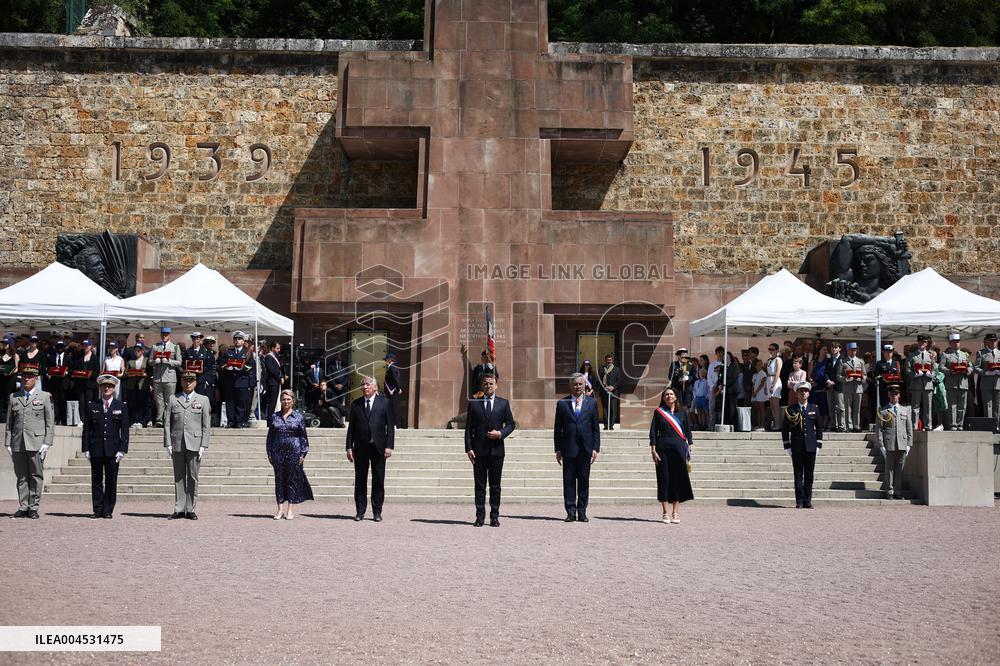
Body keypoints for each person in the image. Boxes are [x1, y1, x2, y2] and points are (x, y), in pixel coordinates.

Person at [464, 373, 516, 527]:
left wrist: (500, 434)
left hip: (497, 451)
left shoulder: (503, 403)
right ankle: (480, 517)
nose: (488, 386)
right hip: (478, 452)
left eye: (491, 384)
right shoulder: (474, 404)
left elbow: (511, 424)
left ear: (496, 385)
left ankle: (494, 516)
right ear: (482, 386)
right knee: (479, 486)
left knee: (495, 486)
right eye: (485, 384)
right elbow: (468, 429)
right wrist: (468, 448)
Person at [4, 367, 54, 519]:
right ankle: (23, 506)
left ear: (36, 379)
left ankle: (33, 507)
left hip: (36, 442)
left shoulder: (45, 396)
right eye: (24, 376)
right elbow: (9, 422)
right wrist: (8, 442)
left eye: (30, 376)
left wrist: (47, 442)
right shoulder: (14, 397)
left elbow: (49, 422)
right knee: (21, 476)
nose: (26, 379)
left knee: (35, 475)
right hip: (18, 441)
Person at [346, 375, 395, 521]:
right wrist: (349, 447)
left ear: (375, 387)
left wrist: (389, 446)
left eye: (367, 384)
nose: (365, 387)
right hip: (360, 448)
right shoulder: (356, 404)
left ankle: (377, 511)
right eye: (363, 385)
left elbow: (390, 427)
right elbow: (351, 428)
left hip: (378, 447)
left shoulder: (385, 403)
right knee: (360, 480)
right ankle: (360, 511)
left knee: (378, 480)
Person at [553, 373, 601, 523]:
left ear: (584, 385)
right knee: (568, 482)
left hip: (585, 449)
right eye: (575, 384)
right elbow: (557, 429)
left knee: (583, 481)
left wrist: (595, 448)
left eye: (580, 384)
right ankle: (570, 512)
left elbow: (595, 428)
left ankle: (582, 512)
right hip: (568, 449)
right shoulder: (562, 403)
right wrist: (558, 449)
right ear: (570, 386)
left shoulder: (592, 403)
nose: (578, 387)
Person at [164, 371, 211, 519]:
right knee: (178, 477)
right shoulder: (173, 399)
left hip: (195, 443)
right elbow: (167, 424)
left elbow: (206, 425)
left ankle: (190, 508)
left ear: (195, 383)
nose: (188, 383)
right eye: (185, 380)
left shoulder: (203, 400)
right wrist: (168, 443)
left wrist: (204, 445)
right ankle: (179, 508)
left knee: (192, 476)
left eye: (191, 381)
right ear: (181, 382)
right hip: (177, 442)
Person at [81, 374, 129, 518]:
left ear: (114, 389)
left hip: (113, 449)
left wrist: (122, 449)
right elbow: (86, 429)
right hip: (96, 448)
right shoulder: (92, 405)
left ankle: (108, 510)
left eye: (109, 386)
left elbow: (125, 430)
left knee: (111, 480)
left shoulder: (121, 406)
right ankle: (97, 509)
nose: (107, 388)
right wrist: (86, 448)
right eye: (104, 386)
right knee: (96, 480)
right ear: (100, 388)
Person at [649, 387, 694, 524]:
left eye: (671, 394)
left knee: (677, 480)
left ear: (675, 397)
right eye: (666, 394)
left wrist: (689, 450)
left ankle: (675, 513)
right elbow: (653, 432)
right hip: (663, 449)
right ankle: (665, 513)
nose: (669, 396)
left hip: (679, 449)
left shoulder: (683, 413)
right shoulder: (659, 412)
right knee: (664, 479)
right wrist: (653, 450)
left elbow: (688, 432)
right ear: (663, 398)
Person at [266, 389, 313, 519]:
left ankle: (290, 509)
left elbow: (303, 437)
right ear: (280, 401)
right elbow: (270, 437)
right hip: (277, 452)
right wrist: (269, 453)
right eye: (283, 399)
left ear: (293, 401)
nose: (286, 402)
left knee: (292, 480)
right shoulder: (275, 416)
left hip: (294, 451)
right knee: (279, 480)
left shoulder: (298, 417)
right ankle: (280, 509)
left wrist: (303, 454)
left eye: (288, 399)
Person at [781, 381, 823, 509]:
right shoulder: (791, 409)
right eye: (801, 391)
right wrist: (787, 446)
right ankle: (799, 501)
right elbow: (785, 429)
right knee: (798, 475)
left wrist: (818, 445)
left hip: (810, 446)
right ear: (797, 393)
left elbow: (819, 428)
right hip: (797, 447)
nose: (803, 393)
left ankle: (808, 500)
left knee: (809, 475)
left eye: (805, 391)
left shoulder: (814, 408)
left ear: (808, 393)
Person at [874, 385, 912, 500]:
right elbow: (879, 429)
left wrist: (909, 444)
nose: (894, 397)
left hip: (902, 443)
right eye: (892, 395)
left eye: (896, 394)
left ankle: (898, 491)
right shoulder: (883, 410)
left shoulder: (905, 410)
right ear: (888, 396)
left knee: (900, 469)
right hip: (889, 443)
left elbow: (909, 428)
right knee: (889, 469)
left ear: (899, 395)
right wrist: (881, 445)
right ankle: (889, 491)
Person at [219, 331, 255, 428]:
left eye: (239, 339)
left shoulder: (247, 352)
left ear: (243, 341)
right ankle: (230, 421)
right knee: (230, 402)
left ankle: (240, 421)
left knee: (241, 402)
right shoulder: (228, 352)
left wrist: (242, 368)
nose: (237, 341)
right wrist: (226, 367)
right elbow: (221, 363)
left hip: (242, 380)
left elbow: (252, 365)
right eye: (235, 339)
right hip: (230, 381)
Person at [939, 332, 973, 430]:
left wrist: (967, 371)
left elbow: (971, 367)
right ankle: (953, 424)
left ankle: (960, 424)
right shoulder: (945, 355)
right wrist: (950, 371)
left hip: (963, 383)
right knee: (952, 405)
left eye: (958, 342)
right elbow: (941, 367)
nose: (956, 344)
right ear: (950, 343)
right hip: (952, 383)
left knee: (962, 405)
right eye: (954, 342)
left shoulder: (965, 355)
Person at [150, 326, 182, 428]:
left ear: (169, 335)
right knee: (159, 400)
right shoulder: (155, 347)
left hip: (170, 377)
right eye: (163, 335)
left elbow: (179, 362)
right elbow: (149, 361)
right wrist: (155, 361)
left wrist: (169, 361)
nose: (164, 336)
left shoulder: (175, 347)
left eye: (166, 335)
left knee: (169, 400)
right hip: (158, 377)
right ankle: (159, 420)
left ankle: (168, 420)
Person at [906, 335, 937, 431]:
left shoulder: (931, 355)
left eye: (924, 342)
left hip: (928, 384)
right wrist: (915, 374)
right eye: (920, 342)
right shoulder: (911, 355)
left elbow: (935, 368)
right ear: (918, 343)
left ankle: (928, 425)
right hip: (916, 384)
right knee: (915, 407)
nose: (922, 344)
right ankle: (914, 426)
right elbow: (907, 369)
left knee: (928, 407)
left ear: (927, 343)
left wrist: (931, 374)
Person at [838, 342, 867, 433]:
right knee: (848, 408)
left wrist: (861, 378)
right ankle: (848, 426)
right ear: (847, 351)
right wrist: (846, 379)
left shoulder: (861, 361)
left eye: (854, 350)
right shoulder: (843, 361)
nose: (853, 352)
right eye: (851, 350)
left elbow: (865, 374)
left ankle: (856, 425)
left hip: (858, 387)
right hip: (847, 387)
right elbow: (838, 376)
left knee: (857, 408)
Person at [975, 332, 1000, 431]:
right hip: (986, 384)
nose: (993, 342)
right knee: (988, 405)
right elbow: (976, 368)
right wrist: (986, 373)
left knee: (997, 406)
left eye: (995, 340)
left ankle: (997, 425)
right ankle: (990, 425)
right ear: (986, 342)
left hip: (998, 383)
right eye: (991, 340)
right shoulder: (981, 353)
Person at [123, 340, 150, 428]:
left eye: (139, 350)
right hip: (132, 385)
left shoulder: (147, 361)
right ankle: (133, 420)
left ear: (142, 351)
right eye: (135, 350)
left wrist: (143, 374)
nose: (137, 352)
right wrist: (130, 374)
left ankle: (142, 421)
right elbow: (125, 373)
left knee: (142, 403)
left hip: (143, 384)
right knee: (132, 403)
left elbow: (149, 373)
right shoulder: (130, 361)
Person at [46, 340, 72, 425]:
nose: (60, 349)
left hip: (64, 382)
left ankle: (63, 419)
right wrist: (49, 373)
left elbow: (72, 369)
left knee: (63, 401)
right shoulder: (52, 357)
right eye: (58, 347)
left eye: (61, 347)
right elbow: (48, 368)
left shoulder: (68, 357)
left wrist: (66, 372)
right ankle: (56, 418)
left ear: (64, 348)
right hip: (54, 382)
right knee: (55, 401)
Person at [183, 332, 216, 400]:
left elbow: (210, 365)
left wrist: (201, 370)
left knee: (200, 398)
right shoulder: (188, 351)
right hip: (191, 378)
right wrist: (188, 369)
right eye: (194, 339)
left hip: (202, 379)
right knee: (191, 398)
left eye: (197, 339)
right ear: (192, 340)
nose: (196, 341)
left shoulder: (206, 351)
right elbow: (184, 363)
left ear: (200, 340)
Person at [871, 343, 903, 411]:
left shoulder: (896, 363)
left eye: (891, 351)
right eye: (887, 351)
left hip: (894, 388)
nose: (889, 353)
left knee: (894, 406)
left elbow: (899, 375)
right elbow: (875, 376)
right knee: (885, 407)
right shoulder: (879, 363)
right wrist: (884, 377)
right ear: (883, 352)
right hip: (884, 388)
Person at [824, 342, 846, 432]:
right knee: (831, 408)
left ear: (839, 349)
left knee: (841, 408)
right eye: (832, 347)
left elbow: (843, 374)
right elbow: (825, 372)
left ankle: (842, 426)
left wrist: (834, 382)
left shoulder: (843, 359)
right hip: (829, 386)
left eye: (836, 347)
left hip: (839, 386)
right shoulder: (829, 359)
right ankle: (833, 425)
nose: (833, 349)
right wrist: (828, 380)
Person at [262, 340, 284, 418]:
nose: (279, 350)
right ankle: (270, 418)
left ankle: (272, 417)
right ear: (272, 348)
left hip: (275, 382)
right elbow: (272, 370)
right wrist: (279, 378)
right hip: (272, 382)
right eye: (277, 348)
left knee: (274, 401)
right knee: (272, 401)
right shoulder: (269, 357)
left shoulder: (275, 357)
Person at [0, 336, 19, 423]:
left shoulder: (15, 356)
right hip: (1, 378)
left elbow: (16, 368)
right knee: (1, 397)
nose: (3, 344)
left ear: (10, 344)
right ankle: (1, 417)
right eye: (3, 343)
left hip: (11, 378)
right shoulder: (1, 354)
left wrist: (10, 372)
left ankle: (8, 417)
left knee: (9, 397)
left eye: (5, 343)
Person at [765, 343, 783, 430]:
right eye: (769, 349)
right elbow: (767, 373)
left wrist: (773, 384)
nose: (770, 351)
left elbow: (777, 372)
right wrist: (766, 386)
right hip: (769, 380)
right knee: (771, 404)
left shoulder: (778, 359)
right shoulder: (769, 360)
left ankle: (778, 423)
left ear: (776, 350)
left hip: (775, 380)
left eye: (772, 349)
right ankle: (775, 423)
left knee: (776, 403)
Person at [382, 352, 403, 428]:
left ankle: (394, 423)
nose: (385, 361)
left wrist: (398, 389)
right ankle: (392, 423)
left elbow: (395, 379)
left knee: (393, 407)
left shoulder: (392, 368)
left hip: (393, 391)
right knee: (391, 407)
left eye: (386, 360)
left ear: (390, 360)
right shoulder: (391, 367)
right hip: (391, 391)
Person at [751, 358, 768, 431]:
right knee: (758, 410)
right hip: (755, 394)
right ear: (755, 366)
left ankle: (762, 425)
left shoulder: (763, 373)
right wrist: (753, 392)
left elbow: (762, 384)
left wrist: (756, 392)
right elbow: (753, 384)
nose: (760, 366)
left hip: (761, 393)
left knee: (762, 409)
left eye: (761, 364)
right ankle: (758, 425)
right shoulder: (754, 375)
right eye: (758, 364)